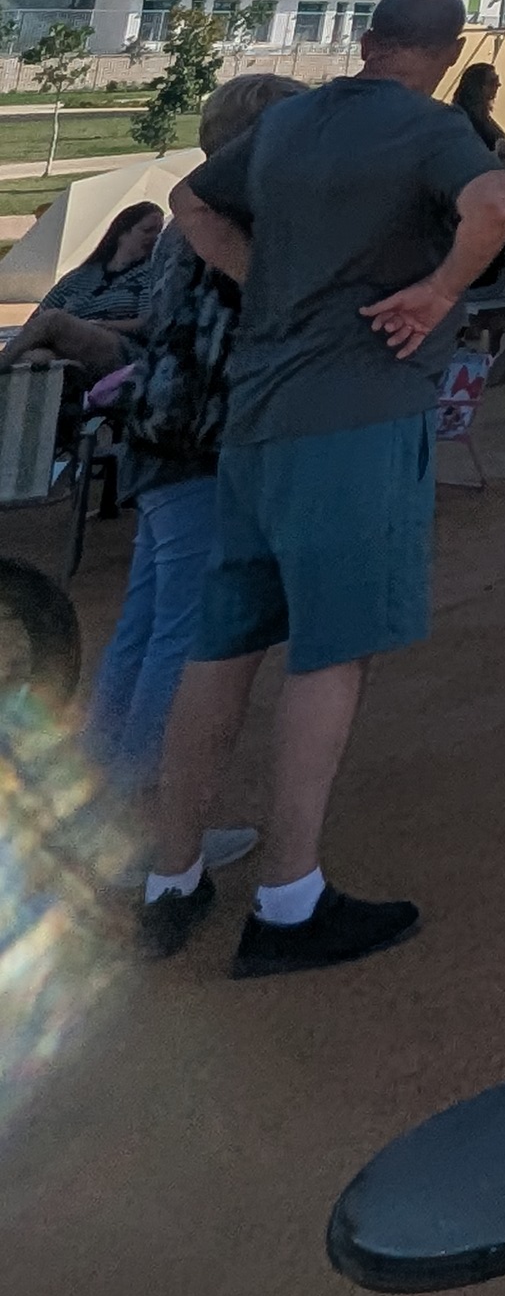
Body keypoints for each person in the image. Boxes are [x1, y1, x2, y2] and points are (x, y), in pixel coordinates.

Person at [140, 0, 505, 976]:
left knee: (221, 647)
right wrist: (438, 290)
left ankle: (171, 878)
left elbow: (190, 202)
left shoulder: (287, 122)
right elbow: (496, 201)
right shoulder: (430, 127)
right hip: (358, 414)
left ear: (367, 40)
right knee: (333, 648)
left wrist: (260, 276)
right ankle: (290, 897)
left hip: (257, 418)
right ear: (448, 52)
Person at [87, 73, 303, 799]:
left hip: (158, 432)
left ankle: (106, 786)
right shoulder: (238, 223)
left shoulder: (188, 223)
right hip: (201, 441)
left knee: (146, 619)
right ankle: (152, 810)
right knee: (183, 629)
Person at [0, 200, 167, 375]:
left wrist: (100, 324)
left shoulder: (150, 275)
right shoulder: (80, 276)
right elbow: (37, 318)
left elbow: (148, 322)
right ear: (122, 233)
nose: (154, 238)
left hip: (119, 347)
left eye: (158, 232)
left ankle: (3, 358)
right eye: (147, 230)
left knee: (54, 319)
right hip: (66, 344)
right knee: (37, 358)